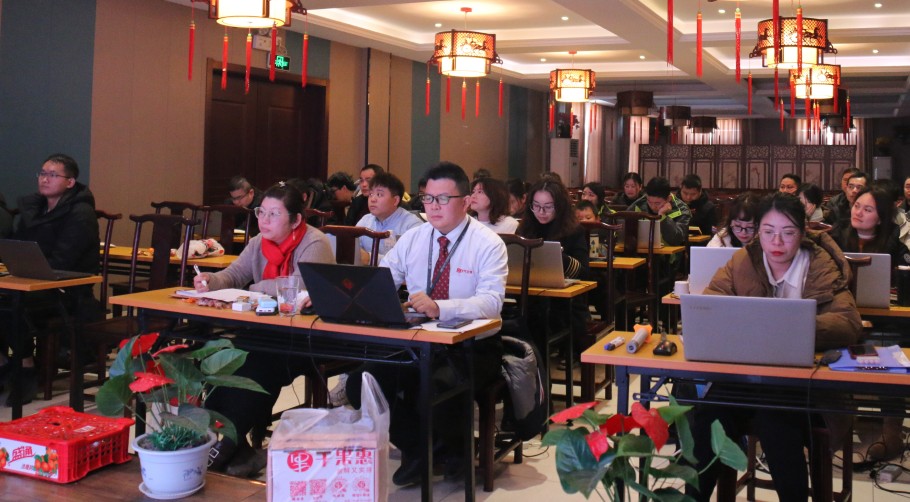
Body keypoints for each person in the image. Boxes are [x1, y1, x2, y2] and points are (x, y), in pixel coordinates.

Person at [343, 161, 507, 487]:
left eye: (443, 199)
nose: (433, 206)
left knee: (435, 385)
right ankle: (420, 448)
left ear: (466, 201)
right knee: (361, 383)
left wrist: (440, 308)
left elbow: (492, 303)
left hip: (472, 345)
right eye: (428, 199)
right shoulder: (414, 238)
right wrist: (348, 295)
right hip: (418, 341)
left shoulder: (488, 243)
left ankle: (455, 450)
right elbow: (383, 280)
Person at [689, 192, 862, 501]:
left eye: (788, 232)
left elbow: (847, 322)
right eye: (768, 232)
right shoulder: (743, 260)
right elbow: (711, 304)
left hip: (802, 381)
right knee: (709, 416)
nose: (777, 242)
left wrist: (787, 328)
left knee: (776, 420)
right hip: (745, 376)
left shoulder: (819, 263)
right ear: (758, 231)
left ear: (803, 231)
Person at [196, 183, 335, 477]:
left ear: (295, 220)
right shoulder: (259, 241)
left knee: (259, 365)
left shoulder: (314, 242)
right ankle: (240, 449)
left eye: (274, 214)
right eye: (262, 212)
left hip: (304, 336)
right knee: (229, 359)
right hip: (264, 329)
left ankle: (229, 445)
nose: (264, 220)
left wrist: (255, 288)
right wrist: (211, 280)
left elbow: (299, 286)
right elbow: (235, 274)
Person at [9, 153, 101, 404]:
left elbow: (64, 260)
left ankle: (26, 366)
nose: (44, 179)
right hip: (33, 281)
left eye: (52, 175)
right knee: (6, 298)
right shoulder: (35, 208)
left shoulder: (81, 214)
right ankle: (7, 363)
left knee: (12, 304)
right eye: (42, 173)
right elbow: (18, 246)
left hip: (68, 291)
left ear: (70, 182)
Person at [517, 178, 590, 358]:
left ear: (560, 206)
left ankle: (539, 366)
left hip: (562, 302)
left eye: (548, 207)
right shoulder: (525, 229)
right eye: (536, 206)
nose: (541, 212)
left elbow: (583, 271)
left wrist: (558, 257)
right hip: (529, 295)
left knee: (539, 315)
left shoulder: (573, 230)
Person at [354, 171, 422, 263]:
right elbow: (354, 251)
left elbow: (410, 261)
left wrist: (370, 258)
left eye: (379, 194)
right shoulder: (365, 221)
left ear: (395, 200)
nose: (372, 199)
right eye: (371, 194)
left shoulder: (412, 225)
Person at [629, 176, 691, 246]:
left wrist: (662, 216)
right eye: (649, 202)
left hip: (670, 251)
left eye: (657, 203)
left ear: (668, 199)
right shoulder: (639, 204)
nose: (653, 207)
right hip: (642, 250)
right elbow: (623, 223)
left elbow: (676, 240)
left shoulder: (682, 209)